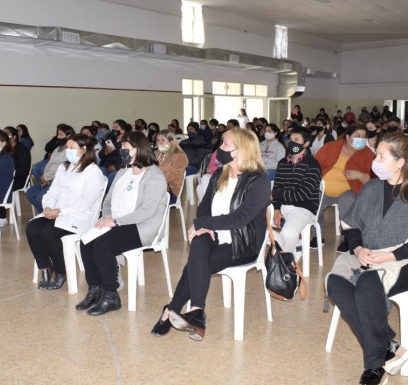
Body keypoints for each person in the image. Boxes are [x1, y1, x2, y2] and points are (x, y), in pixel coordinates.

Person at [326, 133, 408, 385]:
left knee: (366, 285)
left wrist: (387, 257)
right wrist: (358, 248)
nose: (375, 160)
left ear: (401, 162)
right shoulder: (372, 187)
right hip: (366, 254)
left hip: (406, 260)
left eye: (381, 156)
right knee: (336, 283)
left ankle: (374, 366)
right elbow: (353, 225)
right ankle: (387, 345)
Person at [150, 127, 270, 340]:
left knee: (196, 263)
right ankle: (197, 311)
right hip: (216, 231)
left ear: (241, 150)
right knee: (198, 244)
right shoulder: (220, 173)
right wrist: (204, 225)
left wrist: (202, 224)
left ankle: (171, 310)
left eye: (225, 145)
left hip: (243, 242)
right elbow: (205, 206)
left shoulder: (258, 181)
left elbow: (240, 218)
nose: (219, 149)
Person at [76, 131, 167, 316]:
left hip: (142, 226)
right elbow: (108, 201)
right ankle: (95, 289)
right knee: (86, 241)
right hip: (117, 222)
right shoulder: (122, 172)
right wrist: (107, 217)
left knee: (103, 245)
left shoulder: (154, 176)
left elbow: (146, 212)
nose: (121, 151)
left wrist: (116, 221)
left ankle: (111, 296)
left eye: (125, 147)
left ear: (139, 149)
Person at [27, 134, 106, 290]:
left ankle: (61, 272)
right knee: (32, 228)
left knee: (48, 233)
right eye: (67, 148)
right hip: (57, 212)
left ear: (83, 150)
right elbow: (53, 191)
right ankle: (45, 267)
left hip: (78, 216)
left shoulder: (92, 171)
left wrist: (61, 211)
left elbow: (87, 201)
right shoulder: (64, 167)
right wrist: (48, 207)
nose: (67, 151)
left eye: (71, 148)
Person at [313, 124, 374, 250]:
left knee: (348, 203)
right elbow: (314, 166)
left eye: (364, 137)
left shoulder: (367, 154)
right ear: (347, 137)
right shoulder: (331, 147)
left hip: (349, 190)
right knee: (313, 204)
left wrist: (360, 175)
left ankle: (347, 238)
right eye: (357, 136)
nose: (361, 139)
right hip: (323, 190)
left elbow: (375, 180)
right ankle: (317, 236)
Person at [271, 127, 322, 253]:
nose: (291, 142)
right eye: (290, 139)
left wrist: (275, 194)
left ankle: (289, 262)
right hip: (282, 206)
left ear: (306, 143)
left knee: (288, 234)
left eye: (296, 139)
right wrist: (276, 209)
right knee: (256, 224)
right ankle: (296, 246)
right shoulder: (282, 163)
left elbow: (302, 194)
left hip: (304, 208)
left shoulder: (313, 165)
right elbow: (277, 186)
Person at [26, 125, 74, 213]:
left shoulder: (71, 151)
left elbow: (61, 168)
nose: (58, 137)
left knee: (39, 197)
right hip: (49, 179)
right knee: (30, 192)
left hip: (56, 180)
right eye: (57, 135)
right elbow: (49, 164)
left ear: (68, 136)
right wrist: (45, 175)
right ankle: (43, 214)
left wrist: (47, 178)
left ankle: (47, 215)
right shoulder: (57, 149)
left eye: (61, 135)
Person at [0, 126, 32, 224]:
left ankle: (2, 217)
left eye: (8, 134)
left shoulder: (21, 149)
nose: (5, 137)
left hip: (19, 179)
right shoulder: (5, 149)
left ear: (14, 137)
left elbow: (24, 169)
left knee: (1, 186)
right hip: (7, 177)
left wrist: (9, 175)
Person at [156, 130, 188, 204]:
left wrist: (154, 178)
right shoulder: (156, 153)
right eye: (158, 140)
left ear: (171, 142)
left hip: (171, 191)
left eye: (163, 140)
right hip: (156, 187)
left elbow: (174, 175)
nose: (159, 142)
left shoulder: (179, 156)